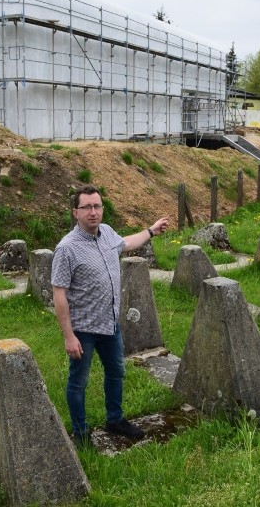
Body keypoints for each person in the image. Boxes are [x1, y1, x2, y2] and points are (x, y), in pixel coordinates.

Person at [51, 184, 170, 449]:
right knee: (78, 382)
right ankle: (81, 435)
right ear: (75, 212)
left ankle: (115, 420)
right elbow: (59, 293)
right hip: (83, 329)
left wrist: (151, 231)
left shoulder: (106, 234)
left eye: (97, 206)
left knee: (116, 372)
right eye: (87, 207)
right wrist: (69, 336)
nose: (93, 212)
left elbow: (126, 243)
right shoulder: (66, 248)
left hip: (110, 324)